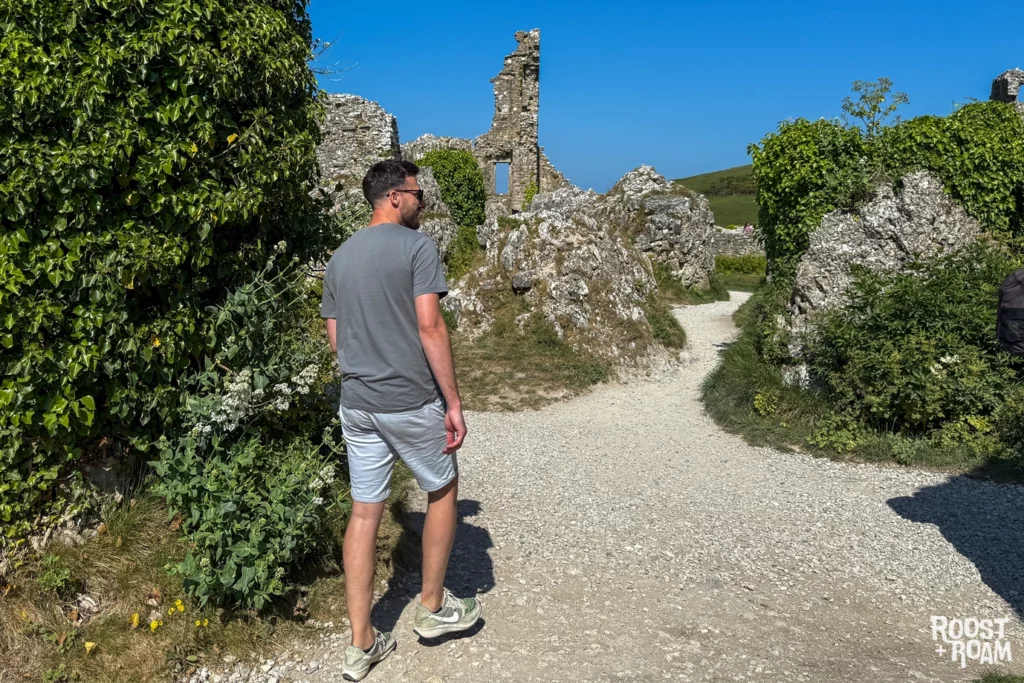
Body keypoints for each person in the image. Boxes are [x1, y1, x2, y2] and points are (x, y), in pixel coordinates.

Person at [320, 159, 481, 681]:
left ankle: (361, 641)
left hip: (358, 400)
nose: (422, 204)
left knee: (365, 511)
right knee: (442, 486)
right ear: (394, 196)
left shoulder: (340, 258)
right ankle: (432, 609)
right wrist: (452, 403)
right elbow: (430, 327)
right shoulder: (418, 248)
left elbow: (337, 338)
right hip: (409, 399)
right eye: (418, 195)